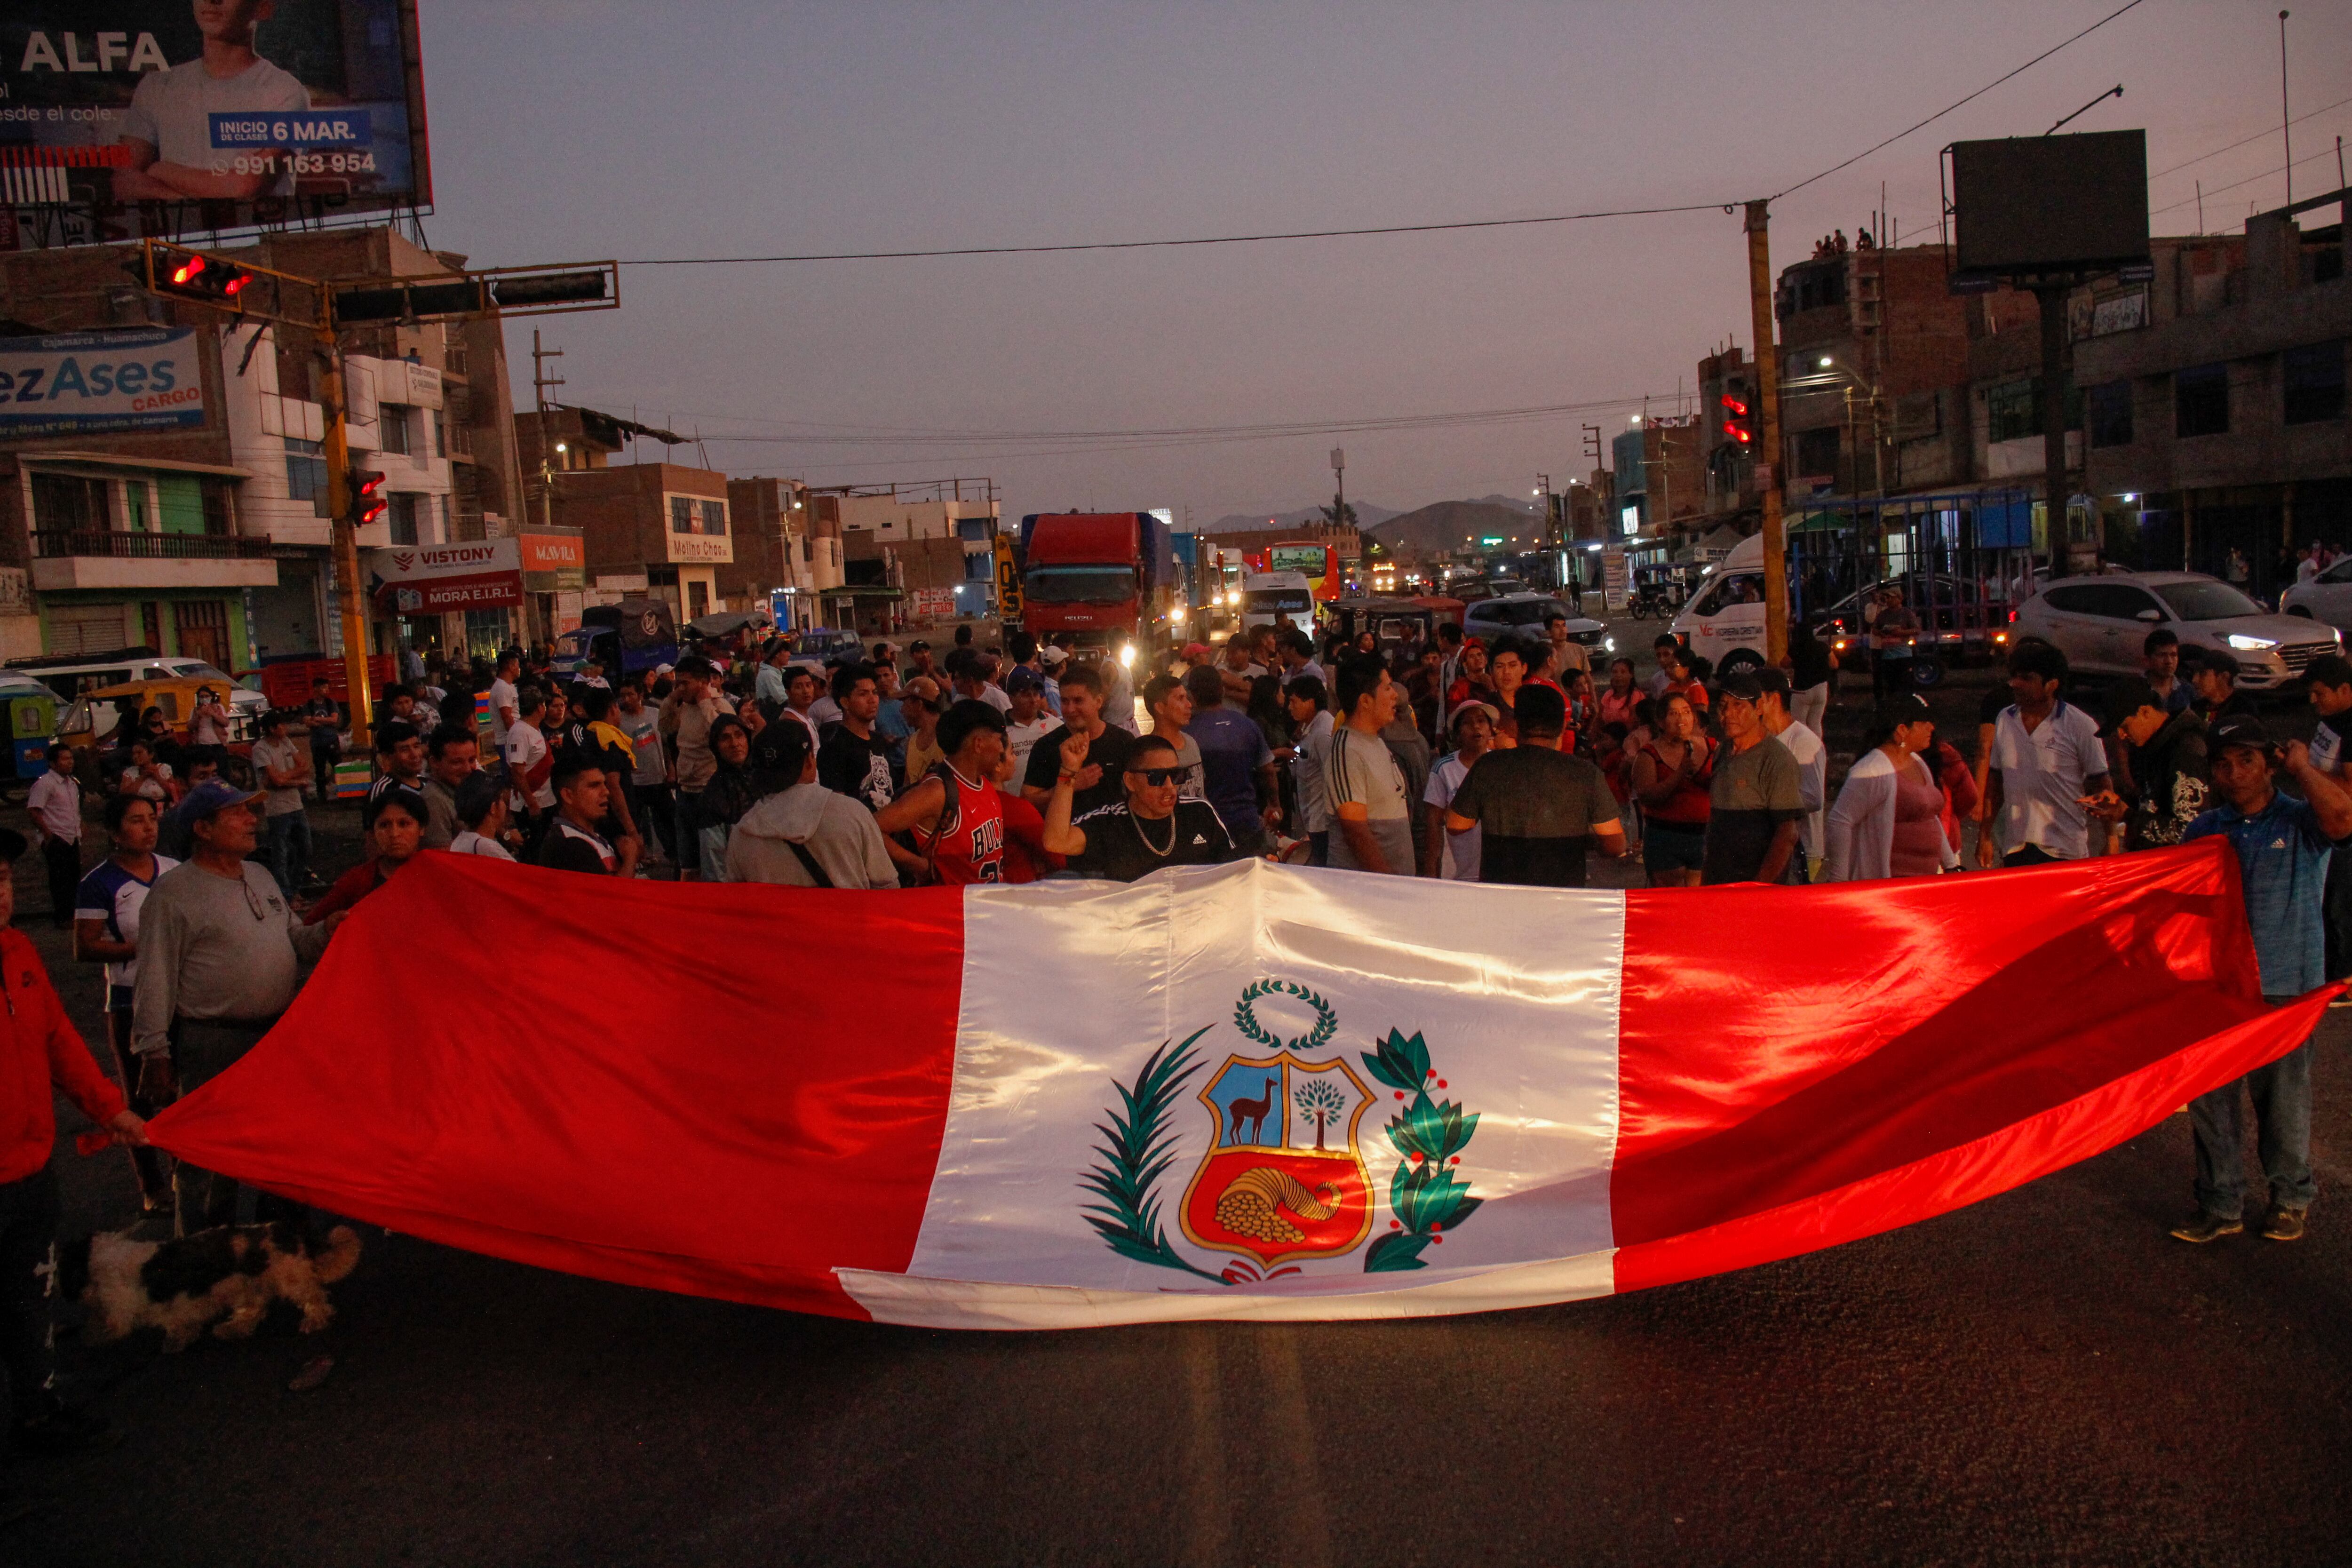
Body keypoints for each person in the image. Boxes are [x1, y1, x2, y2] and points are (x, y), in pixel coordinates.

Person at [2169, 716, 2352, 1244]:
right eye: (2222, 764)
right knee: (2211, 1100)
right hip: (2216, 986)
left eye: (2246, 760)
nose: (2234, 773)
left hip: (2284, 984)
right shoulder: (2203, 831)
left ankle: (2290, 1198)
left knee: (2282, 1101)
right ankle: (2220, 1202)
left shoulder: (2300, 820)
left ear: (2269, 763)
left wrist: (2302, 769)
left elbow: (2343, 819)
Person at [132, 779, 340, 1235]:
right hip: (213, 1042)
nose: (253, 820)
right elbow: (155, 977)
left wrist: (326, 930)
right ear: (203, 828)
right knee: (211, 1159)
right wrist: (155, 1053)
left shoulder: (261, 876)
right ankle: (203, 1262)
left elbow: (296, 942)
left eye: (252, 811)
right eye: (239, 813)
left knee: (282, 1148)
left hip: (275, 1040)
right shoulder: (174, 893)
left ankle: (278, 1252)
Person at [0, 825, 147, 1459]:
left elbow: (59, 1041)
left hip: (30, 1169)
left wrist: (111, 1109)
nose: (0, 893)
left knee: (28, 1298)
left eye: (3, 879)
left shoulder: (18, 952)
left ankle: (38, 1408)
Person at [71, 795, 178, 1216]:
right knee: (141, 1098)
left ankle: (185, 1174)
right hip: (130, 1001)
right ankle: (152, 1186)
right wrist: (143, 948)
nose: (148, 828)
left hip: (177, 997)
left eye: (152, 819)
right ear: (116, 833)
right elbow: (85, 947)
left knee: (183, 1094)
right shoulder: (98, 882)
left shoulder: (174, 870)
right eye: (136, 821)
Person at [1443, 686, 1622, 887]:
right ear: (1562, 726)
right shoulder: (1586, 774)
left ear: (1516, 725)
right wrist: (1581, 838)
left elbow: (1456, 825)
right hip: (1563, 896)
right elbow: (1615, 845)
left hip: (1502, 894)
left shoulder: (1488, 766)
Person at [880, 700, 1045, 885]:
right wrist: (921, 866)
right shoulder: (937, 791)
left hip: (985, 906)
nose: (1001, 749)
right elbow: (873, 828)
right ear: (979, 744)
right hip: (953, 908)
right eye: (999, 740)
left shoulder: (984, 783)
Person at [1979, 642, 2110, 868]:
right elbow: (1996, 782)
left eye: (2026, 678)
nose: (2015, 684)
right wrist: (1985, 835)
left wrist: (2112, 839)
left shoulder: (2080, 725)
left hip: (2065, 851)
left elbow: (2102, 784)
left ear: (2052, 685)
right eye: (2015, 676)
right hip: (2016, 848)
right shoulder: (2005, 720)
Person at [728, 718, 899, 889]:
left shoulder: (742, 834)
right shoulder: (854, 814)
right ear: (810, 761)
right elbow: (887, 886)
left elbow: (738, 900)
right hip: (846, 916)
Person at [1043, 732, 1238, 881]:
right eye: (1157, 777)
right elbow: (1056, 842)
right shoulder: (1108, 823)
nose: (1170, 786)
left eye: (1177, 775)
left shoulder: (1199, 811)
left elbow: (1234, 868)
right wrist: (1069, 771)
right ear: (1130, 782)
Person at [1822, 695, 1956, 882]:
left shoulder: (1917, 762)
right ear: (1902, 730)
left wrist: (1951, 865)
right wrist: (1839, 881)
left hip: (1925, 881)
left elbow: (1930, 817)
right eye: (1924, 722)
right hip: (1890, 884)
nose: (1931, 728)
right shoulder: (1871, 769)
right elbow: (1840, 821)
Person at [1701, 672, 1805, 885]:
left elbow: (1787, 834)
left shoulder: (1776, 759)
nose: (1728, 714)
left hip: (1756, 884)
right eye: (1723, 706)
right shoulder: (1723, 752)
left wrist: (1760, 886)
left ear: (1758, 708)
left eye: (1738, 706)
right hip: (1720, 881)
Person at [2084, 677, 2209, 853]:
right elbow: (2154, 804)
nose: (2121, 735)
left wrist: (2127, 815)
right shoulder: (2151, 746)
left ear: (2145, 712)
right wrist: (2120, 805)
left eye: (2125, 726)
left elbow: (2191, 830)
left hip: (2179, 869)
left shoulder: (2185, 749)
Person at [1325, 655, 1414, 876]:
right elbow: (1355, 829)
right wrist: (1387, 883)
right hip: (1367, 893)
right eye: (1387, 688)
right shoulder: (1346, 750)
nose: (1395, 696)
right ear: (1365, 701)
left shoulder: (1378, 742)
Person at [1181, 663, 1277, 856]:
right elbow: (1268, 770)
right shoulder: (1247, 725)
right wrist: (1274, 804)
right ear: (1223, 690)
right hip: (1247, 821)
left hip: (1208, 826)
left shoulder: (1185, 734)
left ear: (1192, 695)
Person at [1022, 665, 1136, 820]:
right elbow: (1027, 802)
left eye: (1078, 701)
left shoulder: (1123, 741)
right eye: (1065, 701)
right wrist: (1069, 785)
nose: (1070, 709)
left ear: (1099, 701)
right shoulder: (1046, 746)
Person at [659, 655, 736, 881]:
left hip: (710, 792)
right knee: (688, 859)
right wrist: (672, 699)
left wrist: (705, 704)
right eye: (678, 683)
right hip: (686, 792)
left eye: (686, 683)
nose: (681, 688)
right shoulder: (684, 707)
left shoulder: (719, 707)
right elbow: (664, 727)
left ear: (703, 683)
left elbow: (726, 738)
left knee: (714, 861)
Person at [307, 784, 427, 923]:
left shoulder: (437, 875)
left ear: (422, 828)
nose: (394, 834)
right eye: (384, 825)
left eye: (404, 824)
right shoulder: (356, 882)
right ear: (373, 833)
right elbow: (311, 928)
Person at [1632, 692, 1715, 887]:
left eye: (1686, 712)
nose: (1681, 718)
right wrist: (1680, 773)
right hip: (1666, 837)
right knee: (1670, 902)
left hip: (1705, 835)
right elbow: (1648, 797)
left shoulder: (1712, 747)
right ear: (1661, 722)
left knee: (1702, 902)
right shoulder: (1649, 755)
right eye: (1673, 714)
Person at [1756, 669, 1826, 880]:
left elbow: (1813, 798)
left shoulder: (1802, 740)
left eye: (1753, 697)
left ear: (1774, 699)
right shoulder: (1763, 738)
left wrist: (1761, 803)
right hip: (1772, 845)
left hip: (1802, 849)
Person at [1422, 701, 1496, 881]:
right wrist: (1431, 873)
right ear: (1458, 733)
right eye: (1468, 723)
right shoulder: (1444, 769)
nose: (1476, 727)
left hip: (1495, 872)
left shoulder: (1500, 765)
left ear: (1490, 730)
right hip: (1456, 872)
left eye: (1481, 721)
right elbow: (1434, 825)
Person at [817, 663, 897, 814]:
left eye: (874, 693)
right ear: (845, 702)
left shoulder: (878, 741)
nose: (873, 700)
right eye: (863, 694)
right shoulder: (834, 749)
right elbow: (838, 810)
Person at [250, 708, 312, 895]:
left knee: (306, 849)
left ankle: (293, 888)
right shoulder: (260, 749)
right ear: (272, 729)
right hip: (277, 809)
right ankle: (286, 892)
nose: (285, 728)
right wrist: (297, 780)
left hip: (295, 805)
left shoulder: (285, 742)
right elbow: (275, 781)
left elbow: (304, 766)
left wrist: (286, 779)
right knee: (281, 853)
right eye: (282, 725)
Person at [533, 753, 621, 876]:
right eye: (594, 786)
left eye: (604, 784)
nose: (606, 792)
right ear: (568, 796)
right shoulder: (568, 847)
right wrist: (630, 859)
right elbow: (607, 895)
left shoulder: (589, 834)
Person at [27, 743, 83, 931]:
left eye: (71, 758)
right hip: (57, 837)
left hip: (72, 837)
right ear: (53, 763)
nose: (70, 762)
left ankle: (73, 916)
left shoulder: (72, 784)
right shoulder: (45, 784)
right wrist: (48, 834)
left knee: (73, 877)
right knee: (60, 880)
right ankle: (63, 917)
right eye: (65, 759)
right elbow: (35, 810)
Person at [1284, 676, 1335, 864]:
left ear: (1310, 702)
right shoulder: (1311, 728)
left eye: (1293, 701)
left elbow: (1331, 778)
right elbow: (1304, 751)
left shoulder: (1323, 733)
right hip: (1314, 821)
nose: (1290, 707)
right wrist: (1291, 752)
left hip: (1323, 823)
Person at [1141, 673, 1207, 801]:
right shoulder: (1149, 754)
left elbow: (1200, 791)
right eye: (1180, 699)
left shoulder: (1191, 742)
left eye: (1187, 698)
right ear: (1160, 707)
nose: (1189, 705)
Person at [505, 687, 556, 843]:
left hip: (546, 799)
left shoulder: (534, 729)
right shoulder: (520, 733)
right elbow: (518, 771)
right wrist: (532, 803)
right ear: (540, 707)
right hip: (530, 805)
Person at [1002, 669, 1058, 795]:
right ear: (1011, 698)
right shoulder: (999, 730)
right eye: (1026, 695)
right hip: (1013, 804)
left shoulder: (1055, 726)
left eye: (1036, 694)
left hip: (1046, 804)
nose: (1033, 700)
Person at [1867, 587, 1920, 702]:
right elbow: (1874, 629)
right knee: (1891, 684)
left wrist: (1901, 633)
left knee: (1906, 683)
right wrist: (1881, 633)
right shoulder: (1883, 614)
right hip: (1888, 656)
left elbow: (1917, 630)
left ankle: (1907, 706)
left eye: (1891, 598)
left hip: (1903, 655)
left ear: (1900, 599)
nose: (1888, 600)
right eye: (1886, 598)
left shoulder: (1907, 613)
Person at [447, 772, 516, 860]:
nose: (505, 805)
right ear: (493, 808)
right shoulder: (485, 846)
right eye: (501, 799)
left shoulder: (461, 839)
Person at [1787, 618, 1837, 737]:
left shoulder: (1796, 648)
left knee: (1800, 724)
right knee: (1815, 723)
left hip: (1802, 690)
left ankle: (1804, 750)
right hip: (1821, 689)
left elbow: (1783, 663)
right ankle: (1817, 750)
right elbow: (1835, 664)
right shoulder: (1823, 647)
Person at [2189, 648, 2259, 725]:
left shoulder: (2243, 711)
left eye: (2203, 674)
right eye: (2195, 673)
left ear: (2224, 677)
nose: (2194, 680)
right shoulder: (2196, 708)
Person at [900, 675, 948, 787]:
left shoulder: (949, 738)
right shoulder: (911, 742)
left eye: (905, 703)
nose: (902, 710)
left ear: (919, 705)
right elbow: (906, 786)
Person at [366, 717, 426, 804]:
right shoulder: (384, 791)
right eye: (405, 750)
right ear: (387, 757)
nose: (415, 755)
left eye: (416, 747)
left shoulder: (427, 783)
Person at [304, 677, 345, 800]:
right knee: (320, 770)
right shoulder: (309, 705)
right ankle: (322, 796)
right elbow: (307, 722)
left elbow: (334, 720)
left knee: (338, 768)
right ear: (316, 689)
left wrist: (316, 719)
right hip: (317, 743)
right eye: (324, 688)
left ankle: (343, 793)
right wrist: (324, 721)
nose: (327, 690)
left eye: (327, 688)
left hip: (332, 740)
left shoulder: (331, 703)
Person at [2143, 629, 2194, 715]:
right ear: (2147, 660)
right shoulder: (2135, 690)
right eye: (2162, 655)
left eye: (2173, 655)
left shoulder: (2187, 691)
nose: (2169, 661)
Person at [1542, 613, 1590, 678]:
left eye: (1564, 626)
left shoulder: (1579, 650)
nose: (1563, 630)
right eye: (1557, 627)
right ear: (1549, 632)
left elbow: (1587, 677)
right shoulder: (1546, 654)